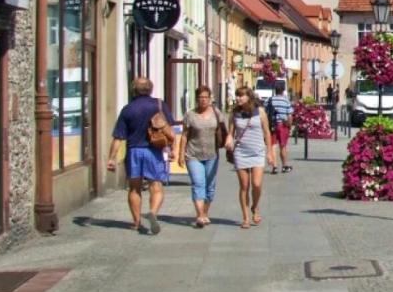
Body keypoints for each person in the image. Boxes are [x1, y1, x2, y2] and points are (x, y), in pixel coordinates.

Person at [107, 78, 176, 235]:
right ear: (150, 89)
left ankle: (136, 222)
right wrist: (171, 149)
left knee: (134, 187)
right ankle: (153, 211)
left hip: (134, 151)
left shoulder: (128, 109)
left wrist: (111, 158)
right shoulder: (159, 105)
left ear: (133, 90)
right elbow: (169, 130)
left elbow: (118, 137)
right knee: (156, 186)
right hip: (154, 151)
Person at [174, 85, 231, 228]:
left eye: (206, 97)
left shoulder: (216, 113)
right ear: (196, 99)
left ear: (210, 98)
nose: (203, 100)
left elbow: (225, 130)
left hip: (212, 155)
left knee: (210, 187)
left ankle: (205, 212)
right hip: (193, 155)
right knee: (198, 184)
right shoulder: (190, 115)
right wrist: (181, 154)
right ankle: (199, 215)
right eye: (200, 97)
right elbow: (185, 135)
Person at [229, 86, 275, 228]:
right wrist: (229, 139)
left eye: (241, 96)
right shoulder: (234, 113)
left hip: (258, 151)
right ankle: (246, 217)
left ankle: (255, 206)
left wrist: (270, 153)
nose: (238, 98)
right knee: (244, 185)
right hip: (241, 152)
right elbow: (231, 132)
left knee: (256, 184)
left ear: (248, 97)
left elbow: (267, 132)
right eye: (237, 96)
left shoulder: (260, 112)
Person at [266, 81, 294, 174]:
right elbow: (290, 115)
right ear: (283, 90)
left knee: (273, 145)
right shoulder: (286, 100)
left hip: (272, 125)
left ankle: (274, 167)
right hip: (282, 125)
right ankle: (285, 166)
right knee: (283, 146)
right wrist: (290, 126)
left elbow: (265, 112)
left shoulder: (269, 100)